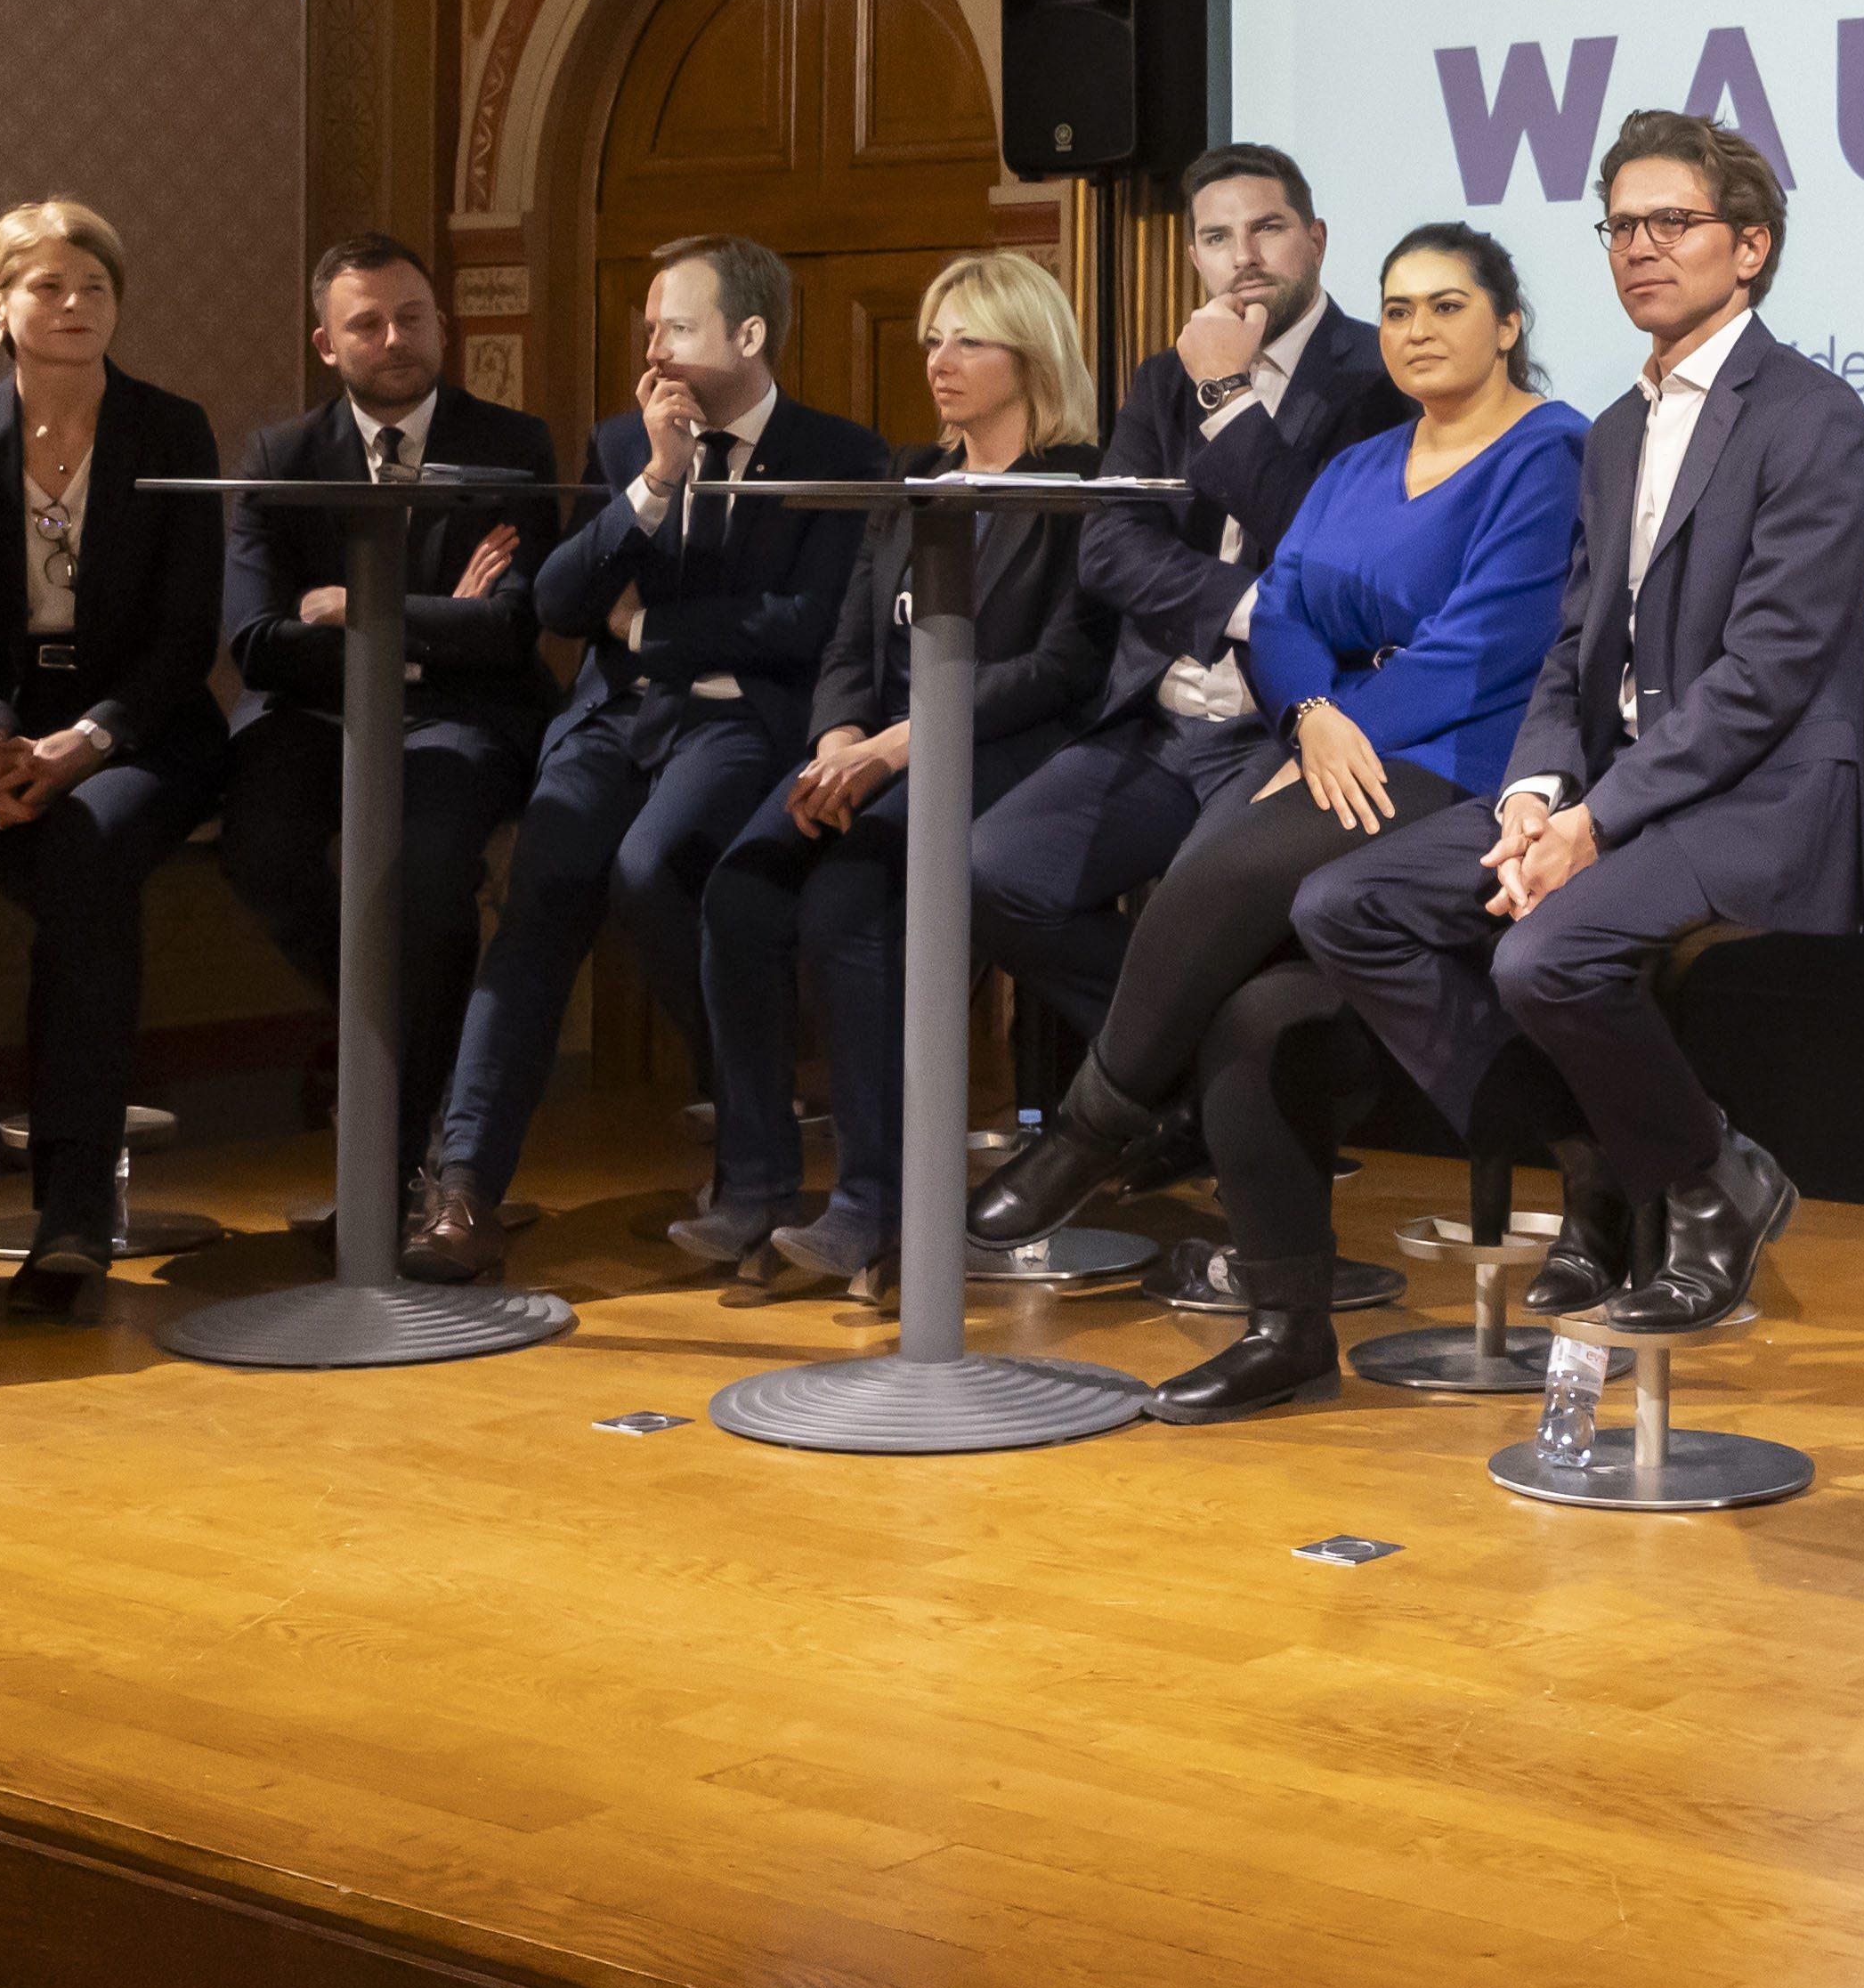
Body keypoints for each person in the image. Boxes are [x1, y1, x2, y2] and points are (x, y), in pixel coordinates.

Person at [970, 223, 1585, 1420]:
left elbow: (1492, 641)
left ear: (1506, 323)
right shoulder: (1363, 464)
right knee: (1249, 1016)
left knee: (1207, 883)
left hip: (1469, 763)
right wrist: (1311, 712)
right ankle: (1286, 1330)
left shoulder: (1547, 448)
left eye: (1446, 304)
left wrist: (1349, 723)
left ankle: (1089, 1132)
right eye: (1398, 307)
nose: (1415, 328)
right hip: (1336, 739)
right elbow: (1281, 609)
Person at [1292, 114, 1864, 1339]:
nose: (1639, 247)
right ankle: (1607, 1159)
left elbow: (1767, 674)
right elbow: (1570, 650)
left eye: (1673, 221)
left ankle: (1715, 1181)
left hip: (1754, 796)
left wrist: (1592, 822)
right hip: (1615, 784)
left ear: (1750, 246)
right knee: (1347, 904)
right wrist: (1531, 795)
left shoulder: (1813, 417)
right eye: (1620, 224)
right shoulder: (1610, 430)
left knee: (1543, 953)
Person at [407, 234, 887, 1281]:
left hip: (733, 722)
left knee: (649, 867)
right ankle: (463, 1188)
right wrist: (655, 485)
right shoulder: (628, 441)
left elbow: (805, 624)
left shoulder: (844, 454)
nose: (655, 349)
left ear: (748, 335)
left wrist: (652, 631)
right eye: (650, 329)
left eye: (675, 326)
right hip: (612, 721)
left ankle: (751, 1113)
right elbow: (558, 602)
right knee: (541, 896)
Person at [684, 252, 1112, 1293]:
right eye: (930, 338)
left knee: (846, 910)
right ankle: (760, 1184)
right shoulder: (910, 477)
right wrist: (838, 738)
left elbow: (1062, 667)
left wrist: (905, 740)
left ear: (1031, 352)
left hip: (1010, 755)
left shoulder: (1080, 485)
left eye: (967, 339)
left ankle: (876, 1204)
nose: (939, 360)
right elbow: (846, 640)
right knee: (738, 889)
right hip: (873, 752)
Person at [968, 145, 1410, 1061]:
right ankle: (1175, 1084)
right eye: (1217, 236)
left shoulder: (1384, 376)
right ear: (1195, 257)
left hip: (1285, 726)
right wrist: (1253, 606)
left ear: (1316, 239)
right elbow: (1109, 547)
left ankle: (1174, 1094)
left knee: (1195, 913)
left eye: (1267, 228)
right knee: (992, 869)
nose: (1242, 254)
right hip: (1158, 716)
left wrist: (1226, 392)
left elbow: (1329, 555)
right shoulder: (1160, 376)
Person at [0, 200, 231, 1319]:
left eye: (93, 285)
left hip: (138, 729)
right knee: (81, 884)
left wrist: (84, 742)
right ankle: (71, 1206)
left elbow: (188, 636)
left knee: (82, 854)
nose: (74, 305)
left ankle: (71, 1211)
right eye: (46, 286)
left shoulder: (172, 428)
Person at [220, 235, 563, 1175]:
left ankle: (402, 1154)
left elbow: (507, 627)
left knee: (427, 869)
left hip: (466, 716)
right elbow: (254, 640)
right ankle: (395, 1033)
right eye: (366, 322)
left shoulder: (511, 442)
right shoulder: (280, 455)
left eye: (412, 316)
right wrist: (432, 616)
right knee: (259, 845)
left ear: (441, 325)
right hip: (313, 717)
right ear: (327, 343)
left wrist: (353, 606)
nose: (395, 337)